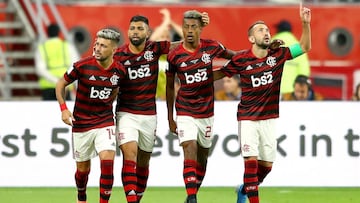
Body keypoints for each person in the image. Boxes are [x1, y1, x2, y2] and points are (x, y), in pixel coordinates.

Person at [213, 3, 311, 203]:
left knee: (266, 167)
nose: (266, 32)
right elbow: (219, 74)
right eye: (260, 30)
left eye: (267, 29)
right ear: (251, 38)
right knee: (250, 162)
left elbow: (305, 47)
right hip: (248, 117)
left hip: (270, 118)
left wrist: (305, 23)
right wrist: (193, 76)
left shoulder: (279, 54)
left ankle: (243, 189)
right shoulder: (241, 59)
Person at [113, 13, 210, 203]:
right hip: (126, 113)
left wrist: (199, 28)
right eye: (132, 28)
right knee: (129, 154)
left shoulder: (155, 48)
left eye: (140, 28)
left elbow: (183, 44)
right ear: (128, 31)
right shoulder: (118, 55)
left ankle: (137, 197)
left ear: (148, 32)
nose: (135, 31)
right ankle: (131, 200)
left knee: (143, 162)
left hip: (149, 115)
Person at [166, 10, 237, 203]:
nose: (189, 31)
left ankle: (193, 192)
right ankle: (192, 197)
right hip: (184, 110)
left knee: (202, 157)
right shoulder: (174, 55)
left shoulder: (212, 47)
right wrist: (170, 118)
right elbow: (169, 87)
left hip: (206, 112)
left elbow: (237, 58)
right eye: (186, 26)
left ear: (200, 29)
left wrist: (264, 50)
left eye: (193, 27)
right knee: (189, 147)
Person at [55, 28, 124, 203]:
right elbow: (60, 84)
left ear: (113, 50)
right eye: (97, 44)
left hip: (105, 122)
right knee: (82, 171)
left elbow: (115, 90)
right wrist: (63, 108)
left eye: (103, 46)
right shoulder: (82, 66)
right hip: (82, 124)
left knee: (107, 163)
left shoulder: (119, 71)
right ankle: (81, 197)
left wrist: (107, 106)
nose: (98, 48)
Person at [35, 23, 80, 100]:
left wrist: (56, 81)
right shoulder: (67, 46)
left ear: (47, 33)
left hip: (48, 88)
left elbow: (40, 69)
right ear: (59, 33)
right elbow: (76, 67)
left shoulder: (41, 48)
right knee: (64, 111)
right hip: (65, 87)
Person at [272, 19, 310, 95]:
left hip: (273, 90)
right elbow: (304, 71)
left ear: (279, 30)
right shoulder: (298, 45)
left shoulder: (272, 43)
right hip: (292, 92)